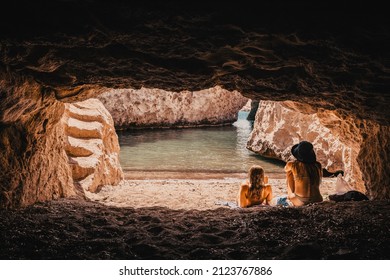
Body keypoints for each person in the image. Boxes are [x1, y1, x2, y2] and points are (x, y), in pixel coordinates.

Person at [274, 141, 323, 207]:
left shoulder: (293, 164)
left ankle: (291, 195)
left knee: (289, 172)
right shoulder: (318, 165)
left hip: (301, 201)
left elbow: (285, 169)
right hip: (318, 199)